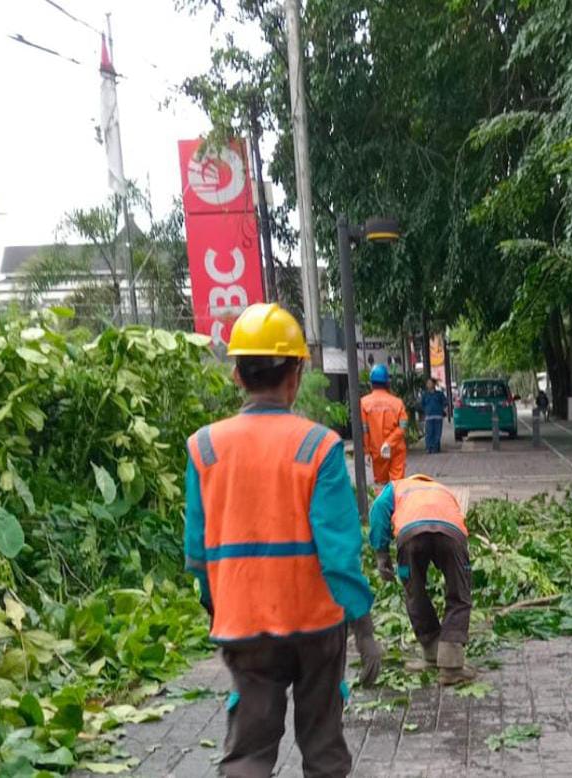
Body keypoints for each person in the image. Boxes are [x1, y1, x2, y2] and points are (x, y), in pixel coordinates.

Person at [183, 303, 381, 778]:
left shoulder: (204, 446)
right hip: (315, 624)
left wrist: (217, 607)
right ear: (295, 376)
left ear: (237, 375)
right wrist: (363, 627)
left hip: (244, 623)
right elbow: (339, 554)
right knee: (323, 749)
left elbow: (197, 552)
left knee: (248, 755)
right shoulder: (319, 446)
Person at [369, 474, 476, 685]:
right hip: (451, 535)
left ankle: (432, 651)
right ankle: (451, 664)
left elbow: (379, 509)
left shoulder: (396, 488)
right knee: (459, 593)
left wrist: (382, 554)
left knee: (415, 592)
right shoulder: (443, 490)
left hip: (411, 535)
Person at [360, 363, 408, 485]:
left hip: (377, 451)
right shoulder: (397, 403)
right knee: (397, 484)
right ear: (387, 382)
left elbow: (364, 430)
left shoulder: (364, 403)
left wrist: (367, 452)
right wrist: (389, 443)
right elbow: (403, 427)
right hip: (396, 448)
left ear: (371, 383)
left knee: (381, 485)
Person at [420, 378, 447, 454]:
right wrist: (425, 411)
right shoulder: (425, 394)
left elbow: (445, 402)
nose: (428, 384)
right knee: (429, 433)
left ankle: (436, 448)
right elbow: (422, 404)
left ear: (434, 384)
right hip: (429, 417)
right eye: (427, 383)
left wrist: (441, 409)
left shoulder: (439, 394)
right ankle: (429, 448)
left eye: (430, 383)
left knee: (437, 433)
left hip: (438, 416)